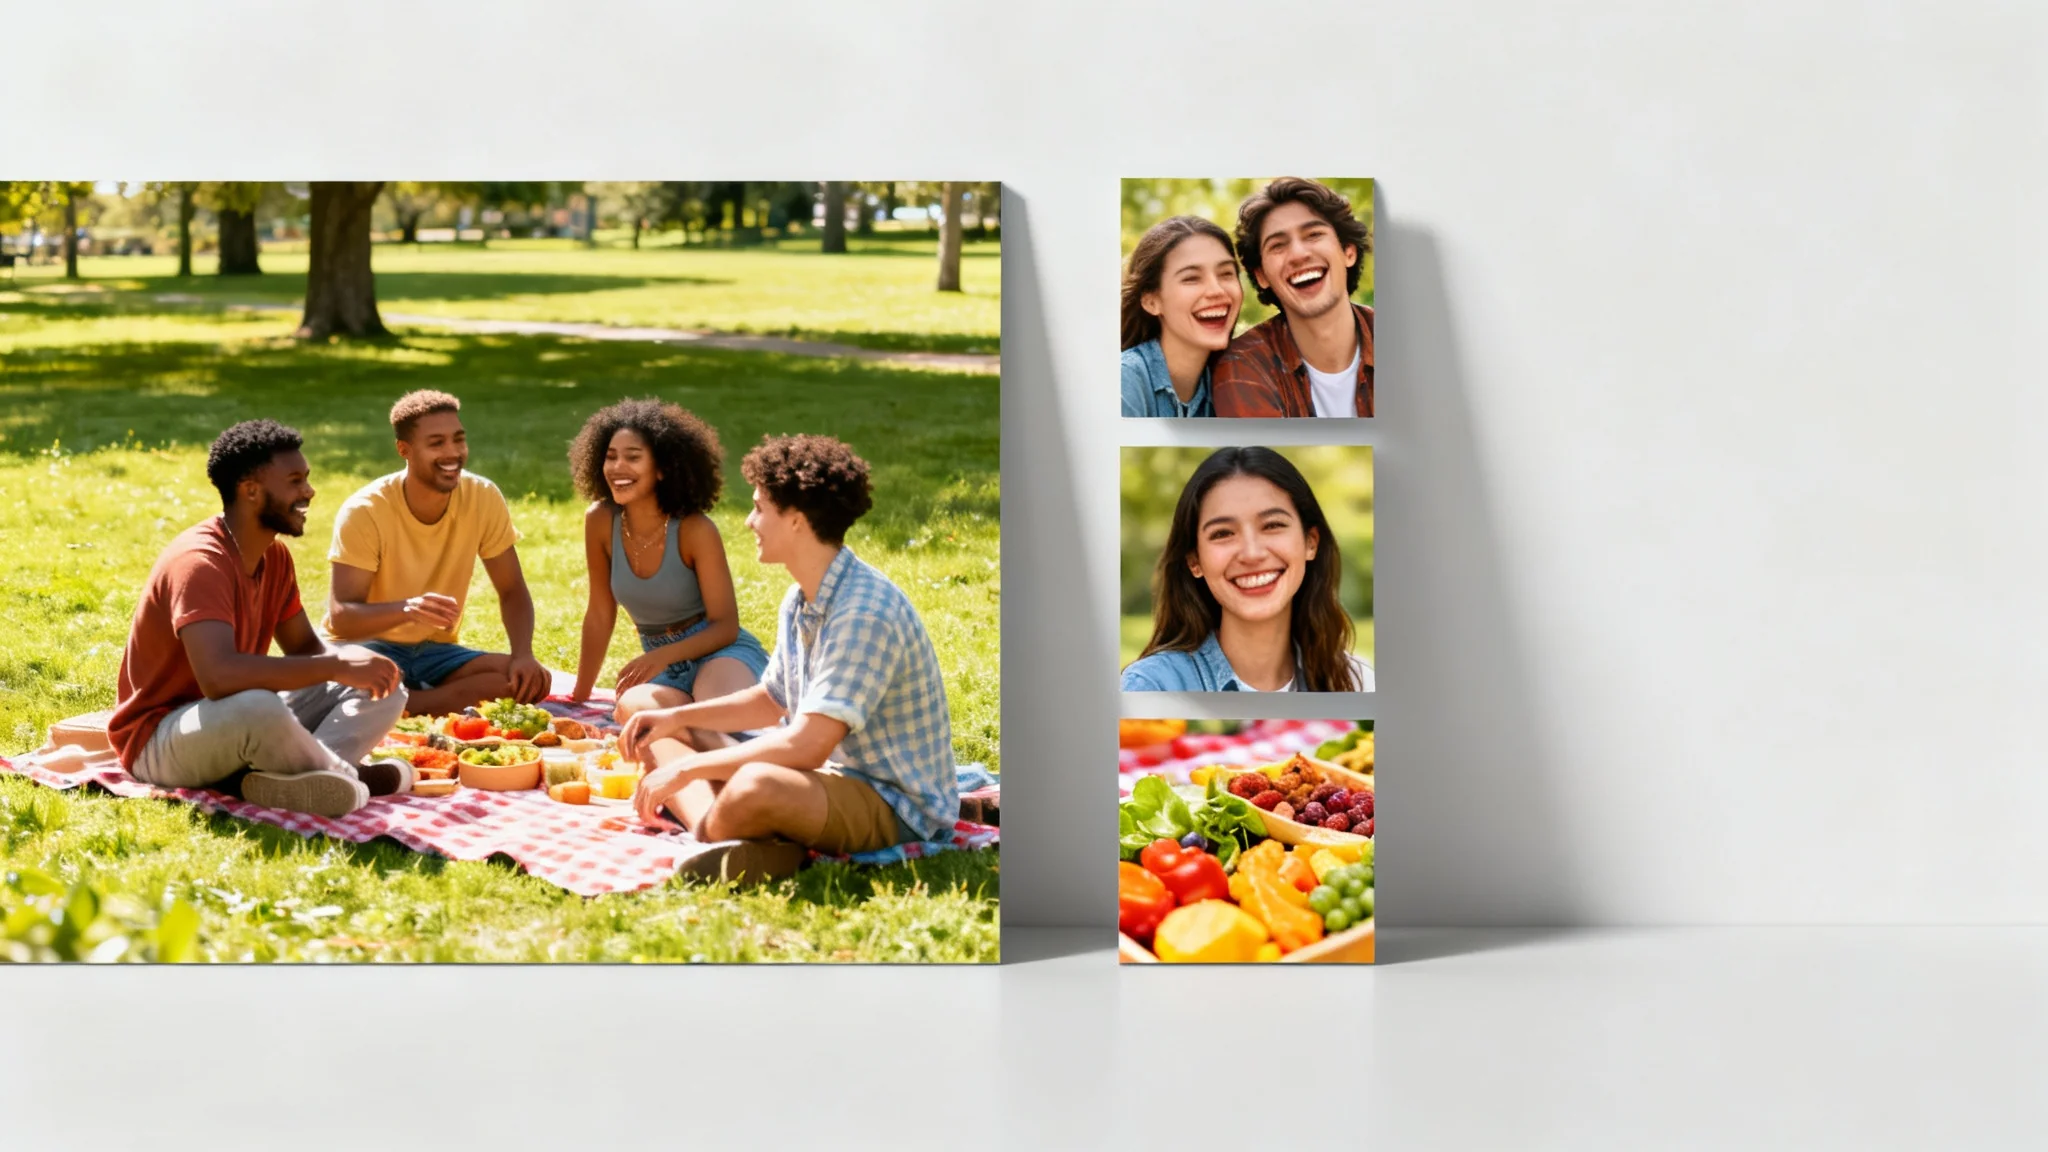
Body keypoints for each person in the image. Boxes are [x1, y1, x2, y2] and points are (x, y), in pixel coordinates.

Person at [617, 435, 956, 884]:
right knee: (647, 712)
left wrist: (686, 767)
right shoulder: (801, 597)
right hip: (826, 778)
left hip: (891, 803)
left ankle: (718, 833)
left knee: (756, 785)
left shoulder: (864, 613)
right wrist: (677, 718)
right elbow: (771, 699)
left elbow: (807, 746)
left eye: (759, 508)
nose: (749, 521)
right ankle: (737, 840)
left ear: (796, 520)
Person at [108, 420, 413, 817]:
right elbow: (219, 678)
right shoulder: (199, 562)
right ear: (250, 491)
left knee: (384, 685)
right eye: (295, 481)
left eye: (307, 479)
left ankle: (292, 781)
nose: (309, 491)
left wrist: (354, 664)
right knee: (259, 706)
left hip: (230, 720)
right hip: (159, 741)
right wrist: (336, 666)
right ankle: (350, 778)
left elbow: (305, 649)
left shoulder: (275, 557)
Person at [322, 390, 551, 714]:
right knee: (356, 679)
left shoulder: (482, 496)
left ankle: (402, 702)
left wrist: (524, 654)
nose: (453, 452)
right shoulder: (365, 510)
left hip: (435, 653)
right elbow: (343, 617)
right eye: (437, 443)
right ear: (404, 450)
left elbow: (512, 589)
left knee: (526, 680)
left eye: (458, 439)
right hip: (365, 648)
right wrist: (408, 610)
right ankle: (411, 700)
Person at [567, 398, 768, 723]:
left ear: (662, 468)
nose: (617, 467)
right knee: (636, 714)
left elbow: (726, 626)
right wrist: (580, 695)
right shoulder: (600, 521)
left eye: (633, 457)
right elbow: (600, 614)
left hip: (722, 654)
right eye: (611, 456)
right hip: (664, 667)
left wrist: (661, 656)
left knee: (716, 717)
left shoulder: (695, 529)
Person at [1121, 446, 1374, 693]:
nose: (1252, 554)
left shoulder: (1356, 684)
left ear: (1311, 542)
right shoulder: (1151, 686)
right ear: (1194, 560)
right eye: (1223, 533)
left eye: (1272, 525)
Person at [1211, 178, 1375, 418]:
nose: (1298, 254)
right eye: (1278, 245)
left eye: (1313, 234)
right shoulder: (1243, 365)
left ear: (1348, 252)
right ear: (1261, 276)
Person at [1119, 215, 1243, 417]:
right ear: (1151, 302)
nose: (1217, 290)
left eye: (1226, 273)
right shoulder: (1124, 381)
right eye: (1191, 278)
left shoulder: (1234, 384)